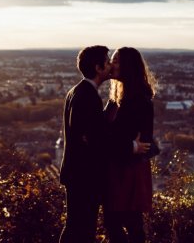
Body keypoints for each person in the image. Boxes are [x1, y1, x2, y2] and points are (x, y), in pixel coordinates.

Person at [59, 45, 150, 243]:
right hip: (83, 176)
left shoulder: (79, 92)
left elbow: (92, 135)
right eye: (108, 61)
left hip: (83, 175)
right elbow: (93, 138)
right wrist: (131, 147)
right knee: (80, 228)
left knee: (78, 227)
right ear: (98, 68)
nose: (110, 66)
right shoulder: (87, 96)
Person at [103, 47, 159, 243]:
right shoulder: (115, 100)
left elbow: (140, 141)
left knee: (127, 222)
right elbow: (107, 133)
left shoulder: (138, 100)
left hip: (127, 168)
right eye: (111, 60)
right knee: (118, 222)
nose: (111, 65)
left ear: (128, 66)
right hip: (118, 166)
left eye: (116, 61)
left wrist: (127, 145)